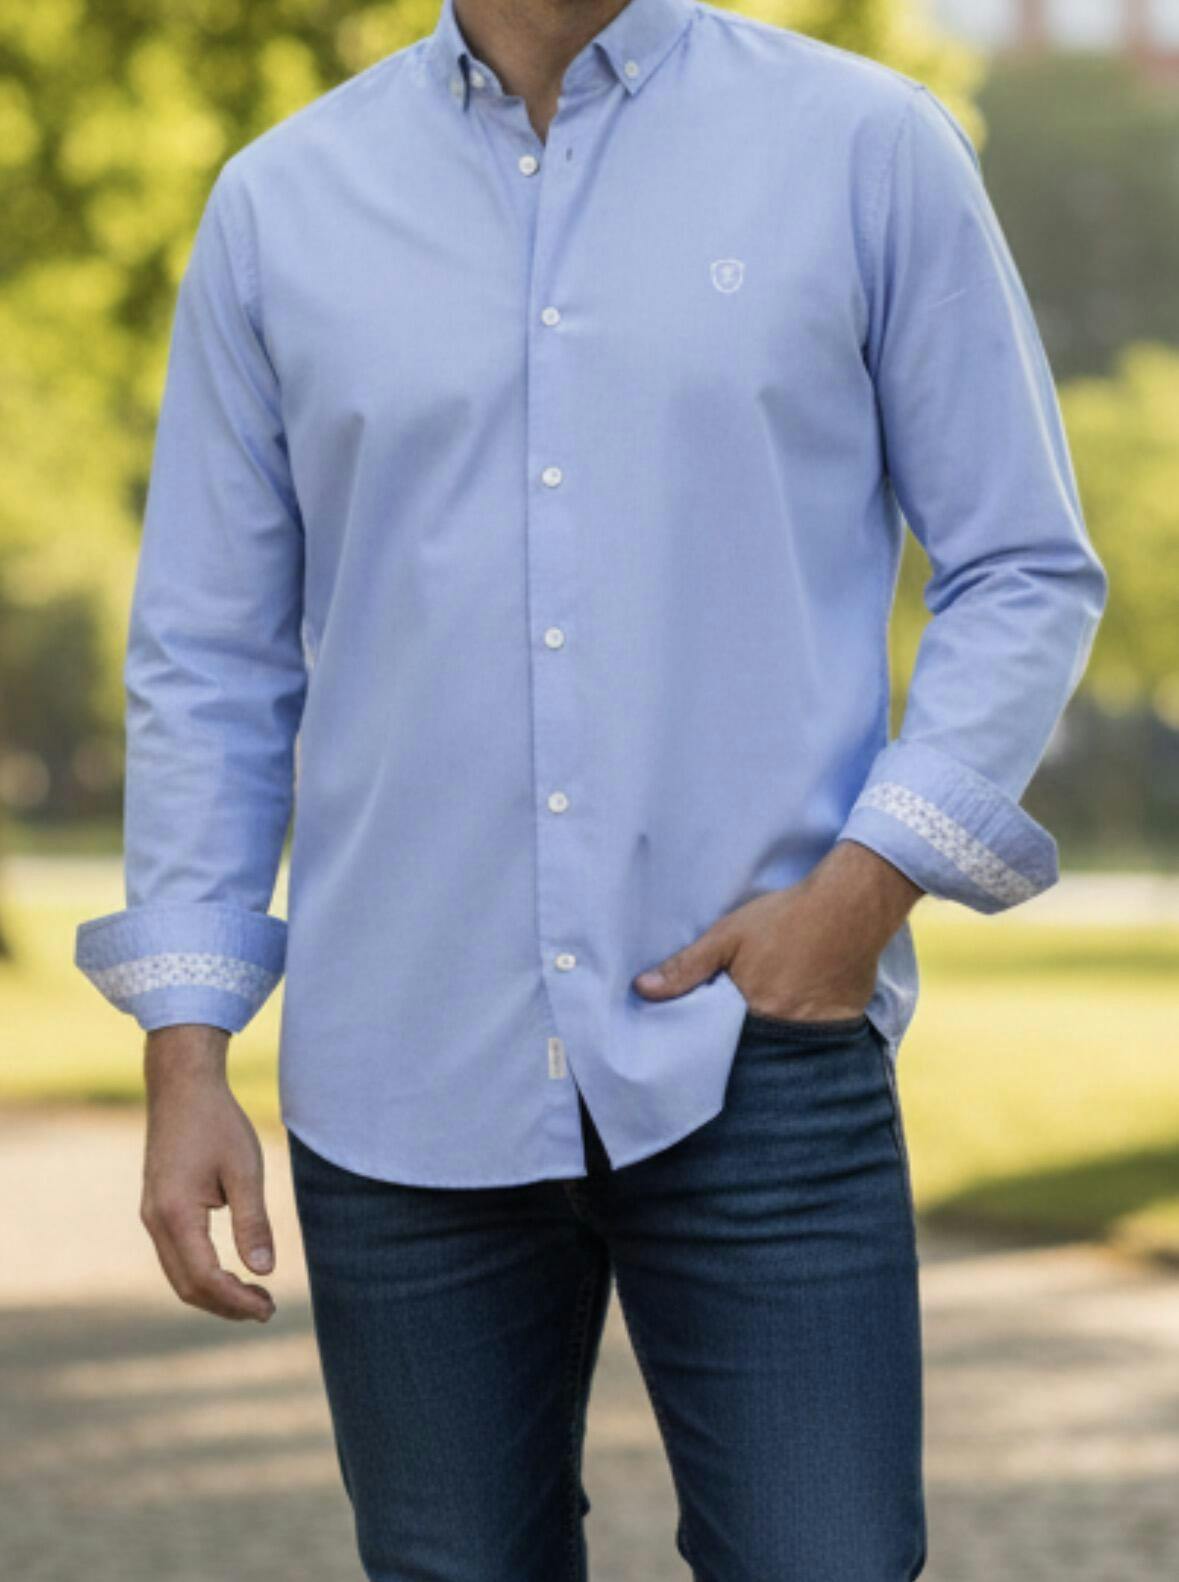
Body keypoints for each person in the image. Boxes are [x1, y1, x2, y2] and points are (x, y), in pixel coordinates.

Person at [73, 0, 1108, 1575]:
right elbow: (210, 656)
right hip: (403, 1069)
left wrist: (864, 891)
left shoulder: (865, 148)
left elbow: (1023, 563)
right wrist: (186, 1047)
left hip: (761, 1051)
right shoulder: (281, 203)